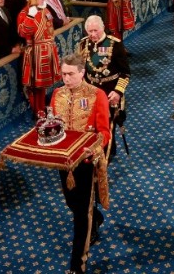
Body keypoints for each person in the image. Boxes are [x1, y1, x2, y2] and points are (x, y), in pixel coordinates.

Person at [52, 53, 111, 274]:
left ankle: (77, 264)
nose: (65, 78)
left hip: (86, 162)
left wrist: (93, 148)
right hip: (63, 162)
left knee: (80, 213)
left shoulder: (97, 95)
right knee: (72, 204)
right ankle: (96, 217)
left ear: (82, 73)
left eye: (70, 74)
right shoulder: (57, 94)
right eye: (63, 74)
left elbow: (104, 132)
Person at [75, 15, 130, 159]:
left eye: (96, 30)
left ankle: (108, 151)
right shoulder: (83, 44)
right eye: (90, 31)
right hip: (90, 90)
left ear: (103, 28)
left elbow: (125, 73)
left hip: (109, 91)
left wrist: (118, 92)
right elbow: (81, 70)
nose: (93, 34)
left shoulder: (115, 44)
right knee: (90, 121)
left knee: (107, 123)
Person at [18, 0, 61, 115]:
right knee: (35, 86)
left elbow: (50, 28)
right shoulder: (25, 13)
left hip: (47, 50)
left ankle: (41, 107)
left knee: (42, 86)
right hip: (35, 53)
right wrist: (31, 16)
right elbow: (23, 32)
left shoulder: (45, 10)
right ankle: (37, 110)